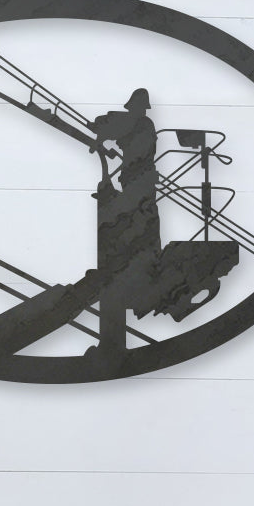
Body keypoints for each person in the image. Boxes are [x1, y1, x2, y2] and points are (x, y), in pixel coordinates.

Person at [89, 88, 161, 356]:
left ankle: (144, 254)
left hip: (138, 179)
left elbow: (111, 125)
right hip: (137, 179)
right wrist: (101, 136)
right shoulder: (141, 123)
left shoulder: (140, 124)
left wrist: (100, 135)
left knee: (137, 216)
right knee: (139, 215)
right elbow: (112, 126)